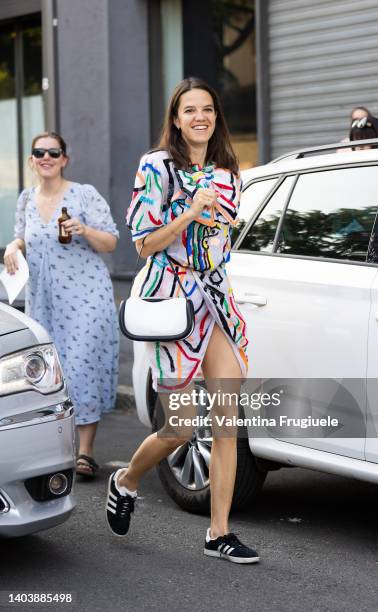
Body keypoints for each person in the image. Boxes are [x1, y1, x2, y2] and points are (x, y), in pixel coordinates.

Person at [105, 77, 259, 564]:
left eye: (208, 109)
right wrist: (190, 212)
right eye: (190, 110)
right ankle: (127, 479)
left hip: (215, 300)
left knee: (227, 424)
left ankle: (218, 533)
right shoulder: (157, 167)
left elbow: (223, 244)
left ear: (216, 117)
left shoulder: (229, 172)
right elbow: (144, 243)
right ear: (176, 118)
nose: (200, 117)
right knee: (178, 427)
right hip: (174, 305)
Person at [3, 131, 119, 479]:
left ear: (64, 159)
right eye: (39, 152)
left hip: (86, 297)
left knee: (81, 367)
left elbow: (111, 241)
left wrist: (83, 229)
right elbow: (24, 234)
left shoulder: (84, 195)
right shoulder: (25, 198)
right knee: (50, 373)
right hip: (44, 300)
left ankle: (84, 453)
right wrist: (13, 244)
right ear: (32, 159)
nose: (46, 157)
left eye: (54, 152)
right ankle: (56, 447)